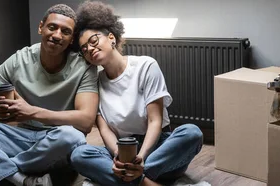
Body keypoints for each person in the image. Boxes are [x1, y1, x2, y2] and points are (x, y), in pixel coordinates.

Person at [0, 4, 99, 186]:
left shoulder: (84, 67)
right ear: (41, 27)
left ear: (71, 38)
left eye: (65, 32)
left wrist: (32, 112)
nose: (57, 35)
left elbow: (86, 120)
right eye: (52, 27)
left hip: (54, 141)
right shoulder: (20, 59)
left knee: (73, 137)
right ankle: (21, 178)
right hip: (19, 136)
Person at [69, 1, 203, 186]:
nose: (90, 49)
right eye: (84, 49)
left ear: (111, 37)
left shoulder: (145, 65)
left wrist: (141, 157)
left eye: (93, 41)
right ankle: (143, 182)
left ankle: (134, 179)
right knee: (79, 155)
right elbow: (104, 129)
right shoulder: (94, 82)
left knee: (192, 133)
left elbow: (155, 121)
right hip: (121, 151)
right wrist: (117, 155)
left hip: (158, 150)